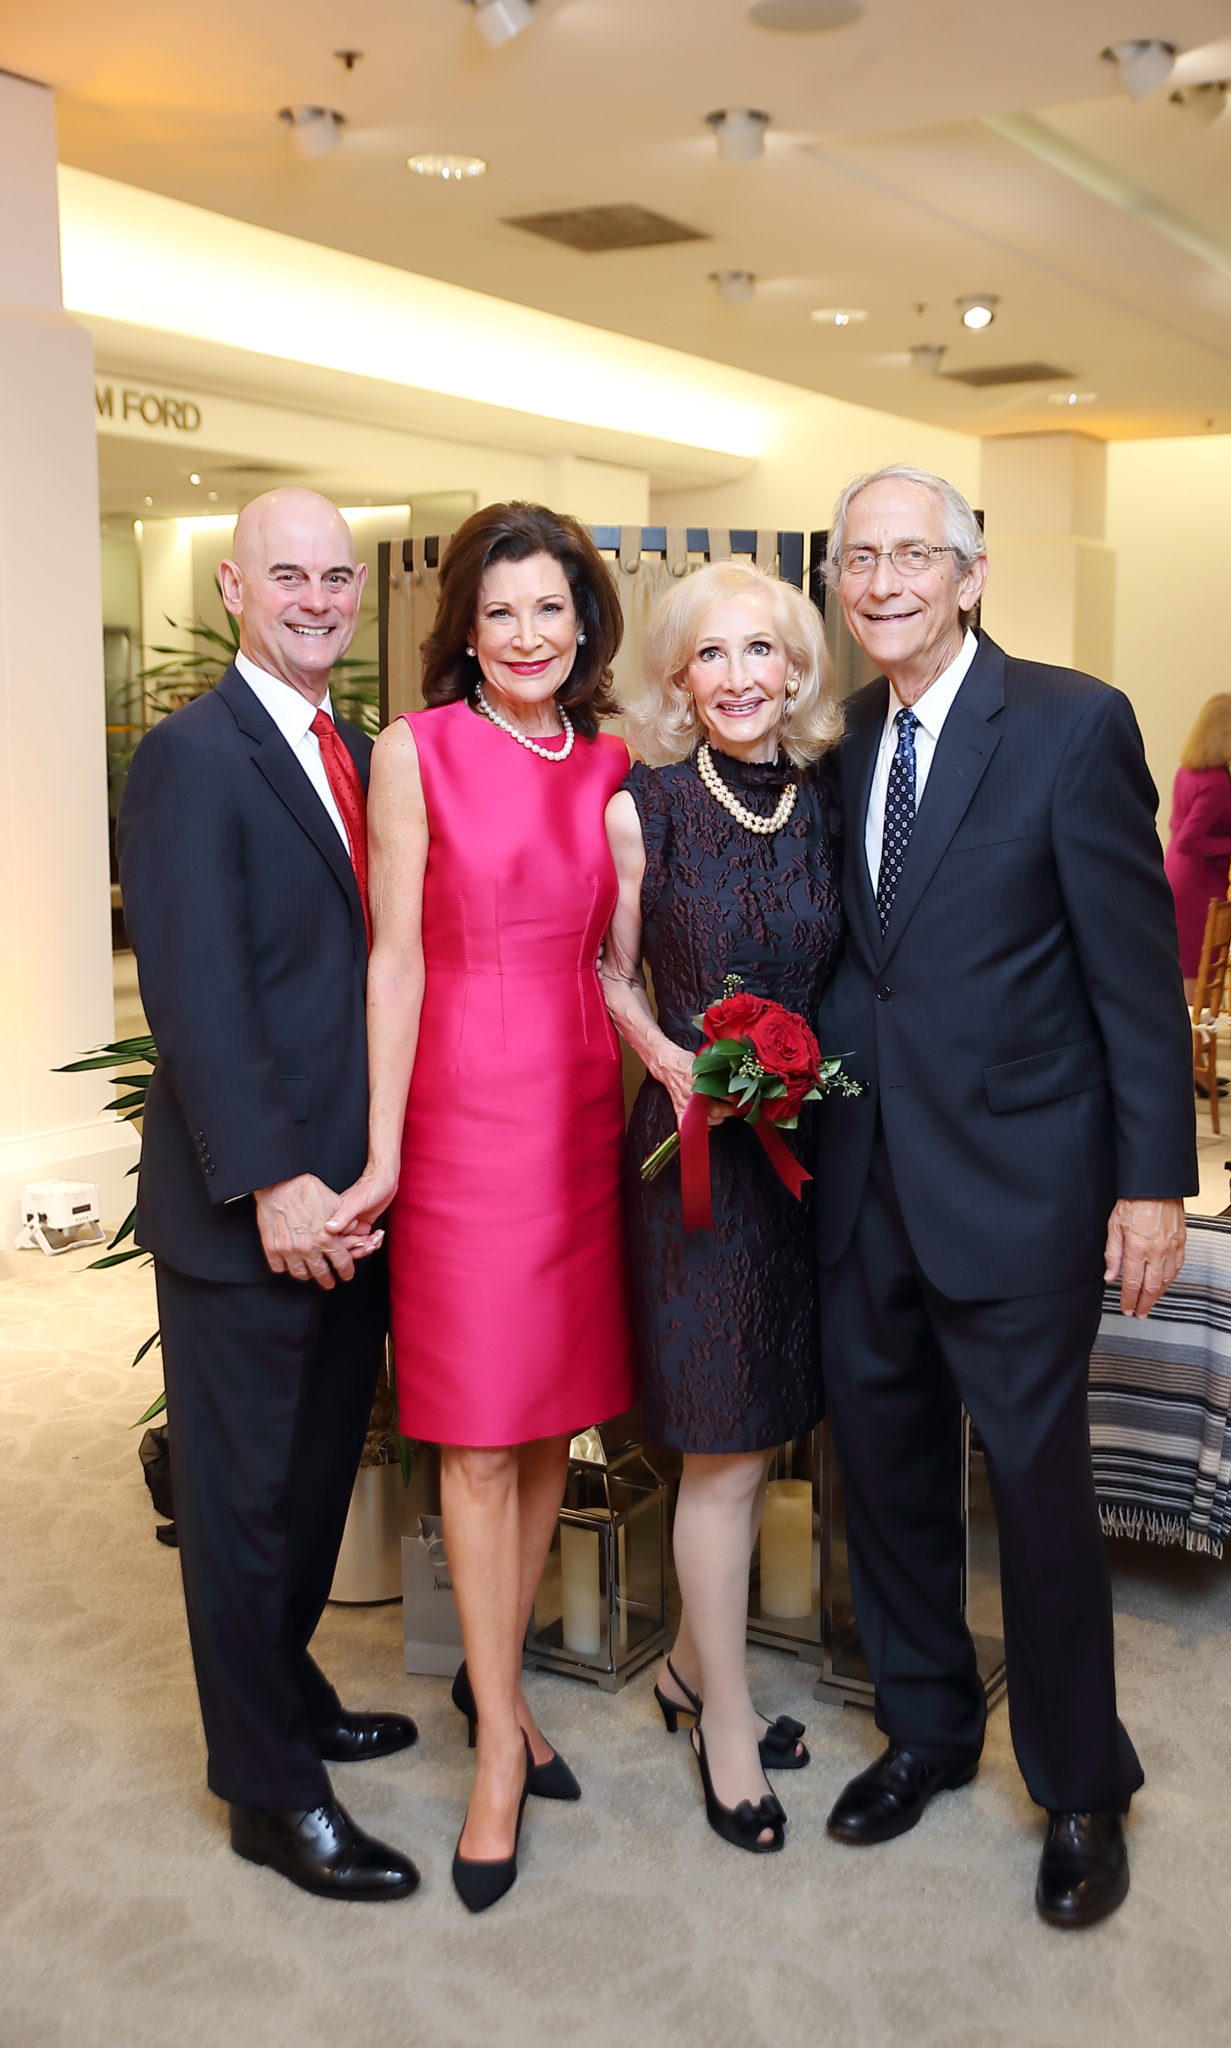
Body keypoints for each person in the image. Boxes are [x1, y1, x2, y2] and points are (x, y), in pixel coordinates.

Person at [814, 463, 1197, 1929]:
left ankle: (1083, 1785)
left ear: (971, 575)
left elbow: (1131, 977)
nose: (885, 581)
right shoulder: (839, 736)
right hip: (862, 1183)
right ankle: (923, 1728)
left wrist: (1150, 1181)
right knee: (889, 1480)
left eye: (915, 555)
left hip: (1024, 1184)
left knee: (1036, 1500)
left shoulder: (1069, 722)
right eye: (861, 559)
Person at [328, 503, 635, 1913]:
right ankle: (499, 1748)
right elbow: (391, 963)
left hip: (576, 1118)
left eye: (550, 610)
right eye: (500, 612)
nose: (526, 635)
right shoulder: (418, 750)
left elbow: (622, 969)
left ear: (584, 623)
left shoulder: (616, 766)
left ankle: (496, 1698)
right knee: (469, 1432)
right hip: (459, 1117)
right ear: (467, 627)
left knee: (543, 1435)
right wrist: (385, 1150)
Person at [117, 489, 419, 1902]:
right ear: (236, 588)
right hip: (257, 1210)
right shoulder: (192, 756)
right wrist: (281, 1184)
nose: (315, 597)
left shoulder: (356, 754)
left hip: (352, 1201)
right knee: (240, 1505)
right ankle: (266, 1792)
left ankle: (284, 1692)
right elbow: (194, 990)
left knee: (306, 1492)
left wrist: (362, 1178)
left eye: (335, 577)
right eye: (285, 575)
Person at [601, 562, 843, 1856]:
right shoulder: (642, 808)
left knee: (766, 1433)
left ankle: (693, 1674)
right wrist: (660, 1051)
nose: (742, 677)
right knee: (723, 1443)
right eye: (713, 655)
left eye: (764, 651)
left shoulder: (823, 804)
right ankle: (728, 1724)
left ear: (797, 669)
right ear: (678, 677)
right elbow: (609, 968)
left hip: (800, 1158)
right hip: (692, 1157)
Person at [1164, 693, 1231, 1002]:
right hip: (1197, 881)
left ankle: (1189, 1042)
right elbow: (1191, 839)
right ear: (1228, 730)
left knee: (1187, 966)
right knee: (1195, 971)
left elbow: (1178, 829)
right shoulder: (1214, 780)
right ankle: (1190, 1045)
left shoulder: (1189, 770)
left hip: (1180, 871)